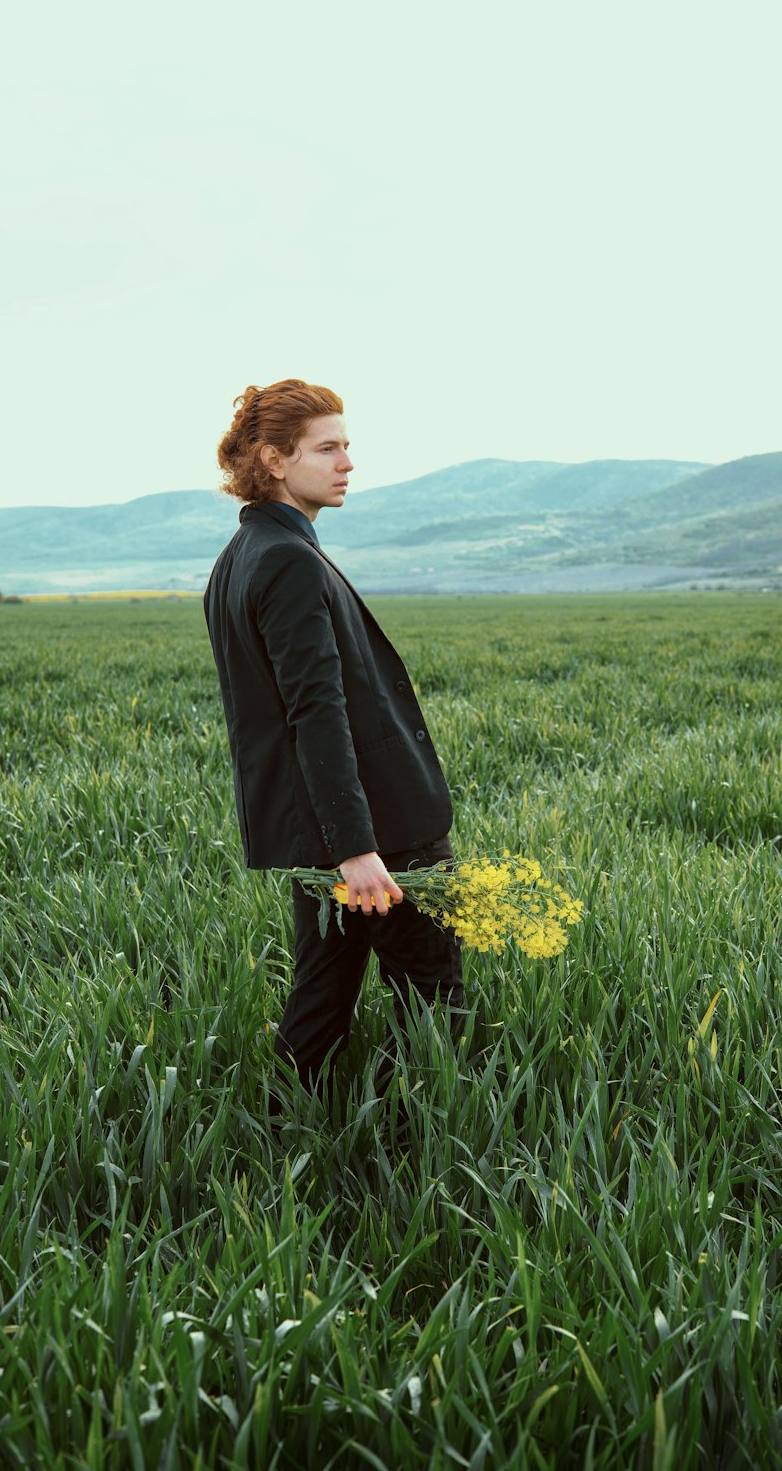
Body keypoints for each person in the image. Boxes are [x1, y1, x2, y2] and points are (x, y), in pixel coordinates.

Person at [204, 378, 464, 1106]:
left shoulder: (241, 556)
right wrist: (357, 850)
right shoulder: (285, 560)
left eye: (347, 445)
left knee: (321, 998)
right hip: (373, 835)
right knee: (436, 1002)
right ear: (274, 460)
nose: (348, 461)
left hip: (322, 831)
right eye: (328, 448)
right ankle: (429, 1152)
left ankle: (285, 1132)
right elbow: (312, 713)